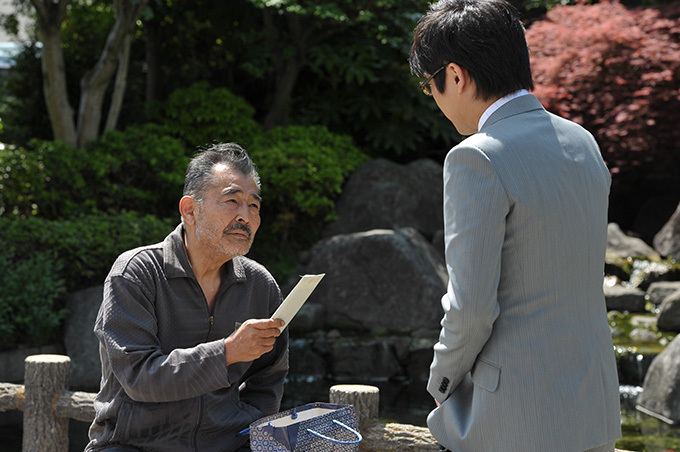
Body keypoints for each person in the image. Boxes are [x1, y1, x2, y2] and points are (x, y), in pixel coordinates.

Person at [409, 1, 621, 451]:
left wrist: (439, 381)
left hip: (516, 420)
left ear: (456, 76)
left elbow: (471, 309)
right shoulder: (582, 141)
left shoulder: (476, 157)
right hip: (593, 407)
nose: (438, 103)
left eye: (432, 87)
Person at [85, 143, 288, 452]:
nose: (245, 216)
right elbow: (139, 378)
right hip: (134, 445)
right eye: (231, 201)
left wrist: (248, 426)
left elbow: (270, 375)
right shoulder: (136, 273)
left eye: (254, 206)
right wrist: (227, 353)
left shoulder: (259, 284)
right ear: (190, 210)